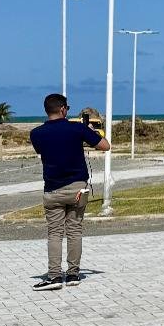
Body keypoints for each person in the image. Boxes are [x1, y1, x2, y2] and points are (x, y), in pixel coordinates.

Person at [28, 93, 108, 290]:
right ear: (63, 109)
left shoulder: (36, 133)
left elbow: (44, 151)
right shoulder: (78, 129)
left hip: (52, 189)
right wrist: (90, 132)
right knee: (74, 230)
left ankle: (54, 276)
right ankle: (73, 273)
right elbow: (105, 146)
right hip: (77, 188)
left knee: (54, 233)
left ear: (47, 110)